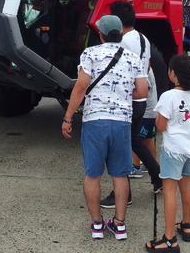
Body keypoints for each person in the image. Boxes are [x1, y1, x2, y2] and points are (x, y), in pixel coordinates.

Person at [61, 15, 148, 240]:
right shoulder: (132, 57)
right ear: (119, 33)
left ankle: (97, 225)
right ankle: (119, 225)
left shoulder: (90, 54)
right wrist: (122, 94)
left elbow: (81, 86)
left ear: (100, 34)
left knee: (93, 175)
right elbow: (142, 92)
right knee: (119, 175)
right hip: (121, 122)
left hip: (95, 122)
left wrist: (68, 117)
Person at [100, 1, 162, 211]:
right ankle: (157, 176)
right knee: (134, 143)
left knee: (120, 147)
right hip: (141, 99)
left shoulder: (122, 41)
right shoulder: (142, 38)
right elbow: (148, 66)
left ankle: (123, 194)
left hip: (126, 100)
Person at [145, 55, 190, 252]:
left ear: (173, 73)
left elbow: (161, 126)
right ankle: (186, 225)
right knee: (185, 185)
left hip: (174, 150)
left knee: (169, 190)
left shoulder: (169, 96)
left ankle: (169, 239)